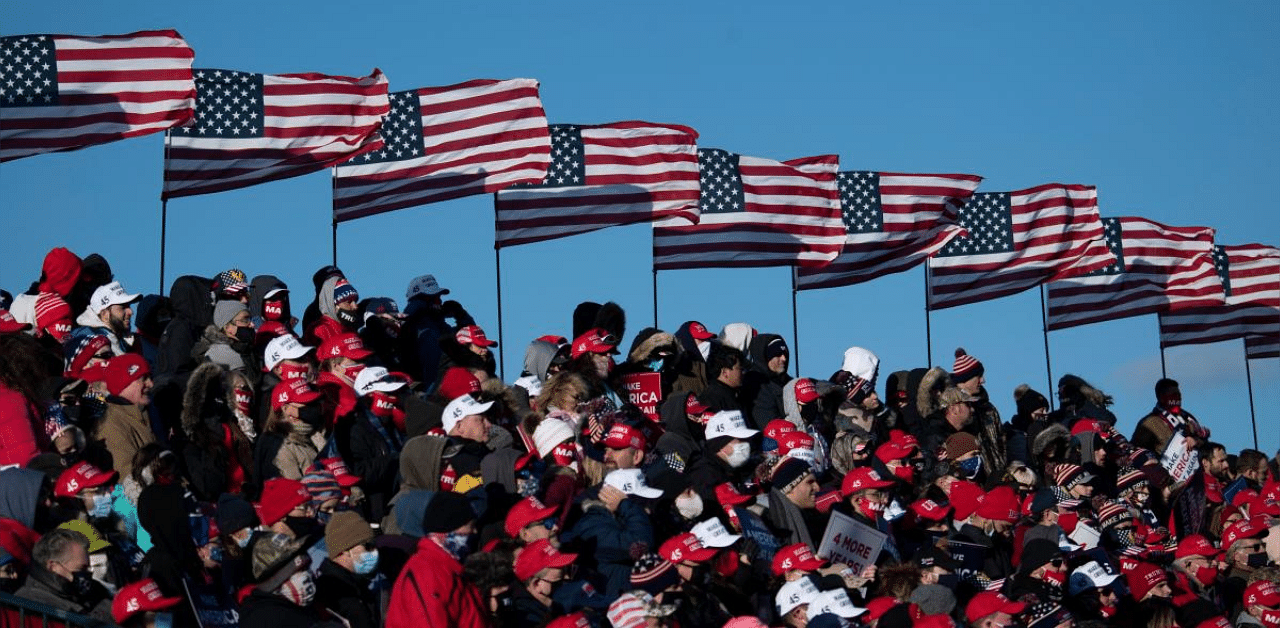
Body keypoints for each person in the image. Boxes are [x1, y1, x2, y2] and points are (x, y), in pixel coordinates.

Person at [386, 491, 492, 627]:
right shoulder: (427, 572)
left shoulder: (451, 567)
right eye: (469, 526)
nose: (474, 532)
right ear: (450, 528)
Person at [14, 527, 113, 621]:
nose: (88, 573)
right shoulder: (30, 602)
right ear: (53, 567)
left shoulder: (86, 591)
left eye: (87, 568)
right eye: (81, 568)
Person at [90, 354, 156, 478]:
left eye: (150, 377)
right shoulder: (111, 425)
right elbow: (128, 476)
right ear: (125, 383)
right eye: (144, 378)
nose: (151, 384)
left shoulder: (146, 411)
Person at [239, 532, 322, 628]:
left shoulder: (290, 605)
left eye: (305, 568)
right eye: (298, 570)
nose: (306, 575)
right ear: (277, 579)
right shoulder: (266, 619)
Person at [316, 511, 382, 628]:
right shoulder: (338, 596)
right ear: (345, 550)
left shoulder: (355, 583)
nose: (374, 552)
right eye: (367, 546)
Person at [76, 281, 141, 357]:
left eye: (129, 306)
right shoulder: (87, 339)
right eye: (123, 307)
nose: (130, 312)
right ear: (104, 314)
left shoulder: (122, 341)